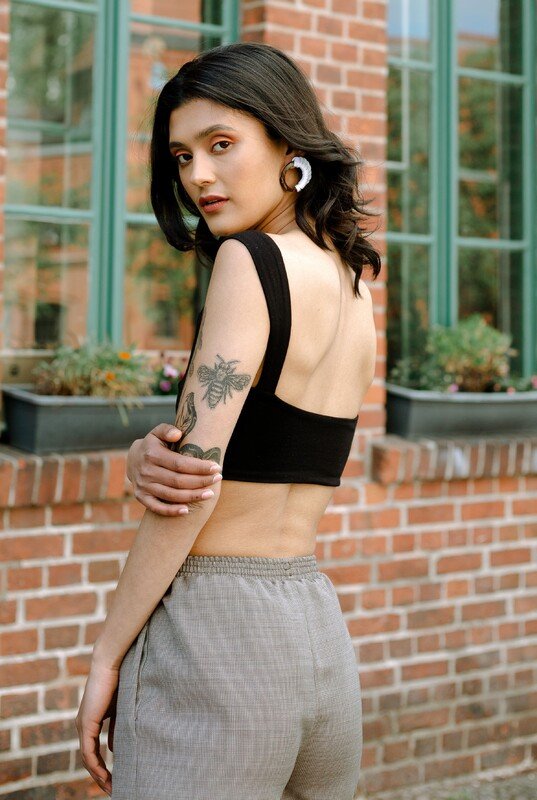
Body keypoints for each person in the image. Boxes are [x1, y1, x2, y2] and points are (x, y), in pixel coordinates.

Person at [76, 41, 380, 800]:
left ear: (287, 143)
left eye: (220, 145)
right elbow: (262, 445)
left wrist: (107, 656)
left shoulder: (251, 260)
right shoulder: (352, 281)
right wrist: (149, 450)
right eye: (181, 156)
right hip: (315, 634)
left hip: (216, 638)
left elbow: (190, 491)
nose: (197, 177)